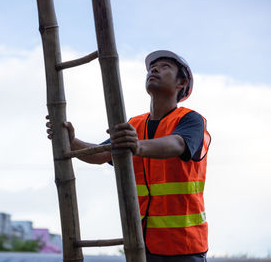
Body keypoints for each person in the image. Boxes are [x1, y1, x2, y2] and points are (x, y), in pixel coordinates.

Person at [46, 50, 210, 261]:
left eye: (165, 67)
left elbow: (177, 144)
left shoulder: (191, 120)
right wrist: (71, 142)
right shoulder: (135, 124)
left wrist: (137, 146)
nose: (155, 70)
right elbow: (101, 154)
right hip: (141, 244)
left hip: (184, 247)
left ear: (182, 82)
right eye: (152, 67)